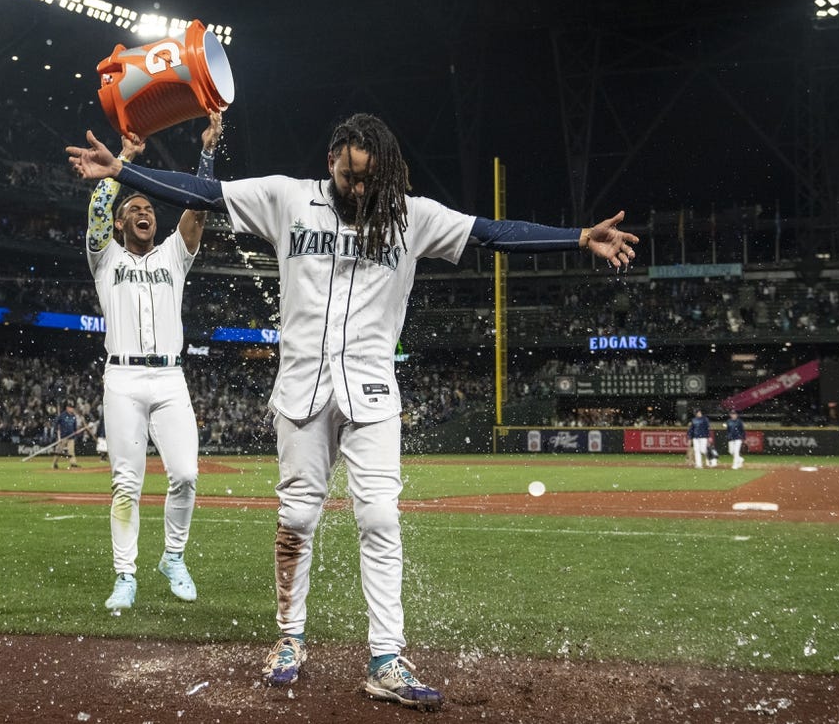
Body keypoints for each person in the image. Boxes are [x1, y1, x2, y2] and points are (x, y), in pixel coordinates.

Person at [66, 112, 638, 711]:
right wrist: (125, 172)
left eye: (370, 179)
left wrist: (577, 238)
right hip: (301, 391)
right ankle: (289, 640)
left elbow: (491, 233)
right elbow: (204, 194)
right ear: (333, 159)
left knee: (380, 519)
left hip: (370, 394)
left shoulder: (410, 214)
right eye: (349, 176)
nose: (359, 188)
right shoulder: (288, 198)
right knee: (296, 520)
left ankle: (386, 658)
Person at [91, 111, 224, 611]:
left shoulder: (174, 254)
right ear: (123, 222)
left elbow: (200, 204)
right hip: (123, 377)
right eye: (137, 207)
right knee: (126, 484)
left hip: (170, 377)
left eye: (150, 206)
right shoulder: (106, 258)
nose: (146, 211)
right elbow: (96, 214)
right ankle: (125, 575)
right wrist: (122, 162)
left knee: (186, 474)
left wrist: (207, 150)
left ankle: (173, 557)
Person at [52, 402, 82, 470]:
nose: (72, 409)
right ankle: (54, 463)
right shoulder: (62, 415)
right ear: (67, 408)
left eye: (73, 408)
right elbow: (56, 423)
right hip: (63, 437)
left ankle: (73, 464)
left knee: (71, 451)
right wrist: (57, 433)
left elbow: (74, 426)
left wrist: (75, 431)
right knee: (59, 451)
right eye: (71, 408)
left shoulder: (73, 416)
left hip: (71, 436)